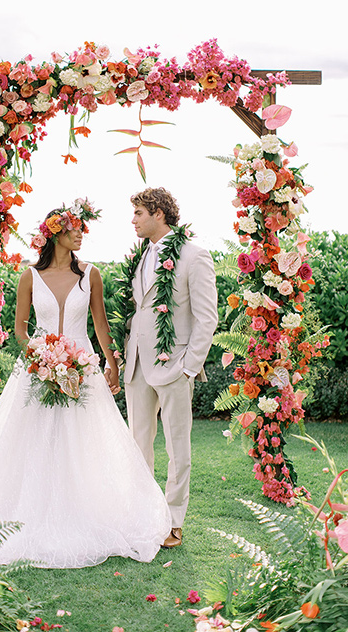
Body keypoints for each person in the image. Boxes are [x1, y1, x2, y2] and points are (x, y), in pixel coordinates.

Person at [0, 198, 171, 568]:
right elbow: (20, 330)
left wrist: (111, 362)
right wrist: (40, 358)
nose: (80, 235)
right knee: (30, 442)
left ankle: (86, 508)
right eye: (74, 229)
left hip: (82, 367)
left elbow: (99, 325)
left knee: (86, 442)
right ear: (55, 234)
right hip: (37, 369)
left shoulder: (91, 275)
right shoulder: (29, 276)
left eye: (82, 229)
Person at [118, 188, 218, 549]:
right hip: (138, 364)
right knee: (137, 443)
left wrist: (189, 367)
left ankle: (174, 521)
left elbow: (207, 318)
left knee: (178, 447)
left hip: (174, 364)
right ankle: (144, 515)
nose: (133, 220)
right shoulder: (141, 256)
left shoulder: (195, 255)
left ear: (159, 213)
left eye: (138, 213)